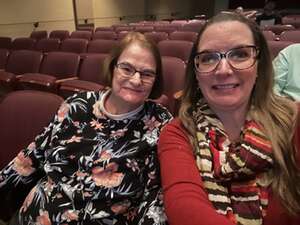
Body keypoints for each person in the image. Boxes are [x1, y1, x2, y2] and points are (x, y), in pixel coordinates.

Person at [0, 32, 173, 225]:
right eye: (127, 68)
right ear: (113, 67)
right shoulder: (76, 105)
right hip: (36, 214)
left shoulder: (160, 123)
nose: (136, 80)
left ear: (156, 80)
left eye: (147, 73)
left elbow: (156, 198)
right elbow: (34, 154)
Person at [158, 12, 300, 225]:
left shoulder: (294, 121)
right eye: (208, 58)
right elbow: (184, 206)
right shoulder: (177, 132)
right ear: (196, 73)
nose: (223, 70)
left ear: (259, 65)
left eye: (240, 54)